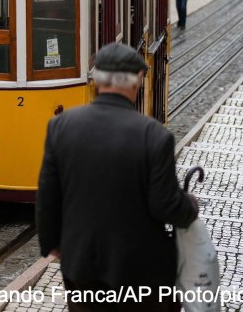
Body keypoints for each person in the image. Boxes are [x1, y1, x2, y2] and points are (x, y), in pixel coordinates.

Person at [36, 43, 198, 311]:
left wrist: (52, 243)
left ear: (97, 80)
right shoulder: (154, 135)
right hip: (138, 271)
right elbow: (166, 205)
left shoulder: (61, 126)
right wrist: (190, 204)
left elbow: (47, 195)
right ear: (136, 81)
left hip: (80, 264)